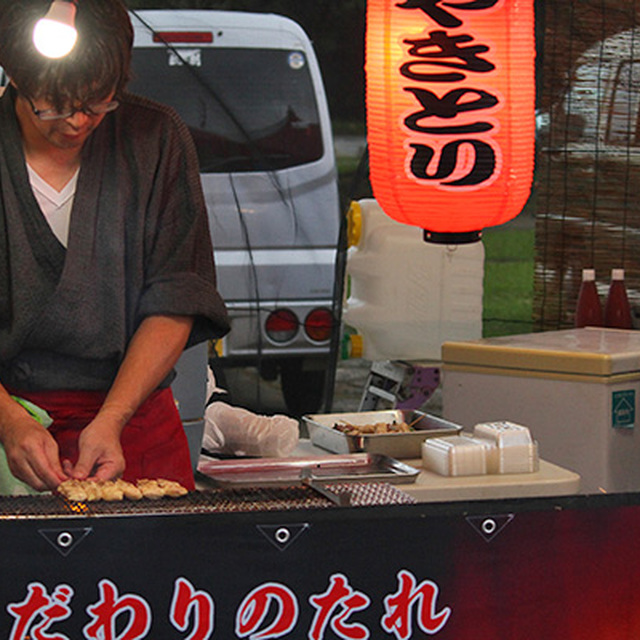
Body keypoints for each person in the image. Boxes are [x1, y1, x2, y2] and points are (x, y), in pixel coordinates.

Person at [0, 0, 230, 493]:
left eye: (97, 102)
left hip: (132, 420)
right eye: (55, 105)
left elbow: (176, 296)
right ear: (15, 76)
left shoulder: (156, 139)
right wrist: (9, 422)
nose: (78, 122)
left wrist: (113, 417)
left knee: (153, 566)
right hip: (7, 414)